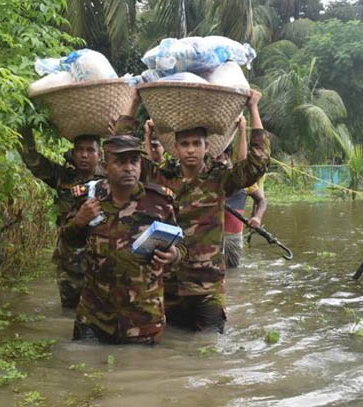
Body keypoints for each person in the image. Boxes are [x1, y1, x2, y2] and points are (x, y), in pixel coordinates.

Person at [142, 90, 270, 333]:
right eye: (185, 144)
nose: (190, 150)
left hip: (207, 287)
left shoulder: (220, 179)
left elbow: (257, 163)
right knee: (169, 351)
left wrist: (253, 108)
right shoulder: (162, 178)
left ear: (206, 147)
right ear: (176, 148)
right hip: (169, 285)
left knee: (210, 347)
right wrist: (136, 108)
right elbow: (129, 162)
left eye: (196, 144)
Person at [63, 129, 185, 344]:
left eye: (134, 161)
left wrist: (173, 255)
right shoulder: (88, 198)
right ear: (105, 164)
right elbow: (67, 242)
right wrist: (79, 221)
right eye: (120, 161)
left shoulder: (159, 202)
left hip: (142, 319)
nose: (129, 168)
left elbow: (182, 245)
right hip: (94, 318)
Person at [18, 128, 103, 308]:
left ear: (100, 154)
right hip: (71, 262)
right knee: (69, 312)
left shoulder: (111, 181)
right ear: (73, 153)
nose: (84, 155)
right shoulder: (62, 177)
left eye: (90, 150)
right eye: (79, 150)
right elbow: (33, 161)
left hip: (103, 263)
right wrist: (24, 127)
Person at [217, 117, 268, 268]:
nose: (217, 160)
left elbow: (262, 201)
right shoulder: (209, 177)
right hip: (211, 237)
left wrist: (257, 218)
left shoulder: (241, 179)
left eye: (220, 156)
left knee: (233, 272)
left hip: (232, 236)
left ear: (227, 156)